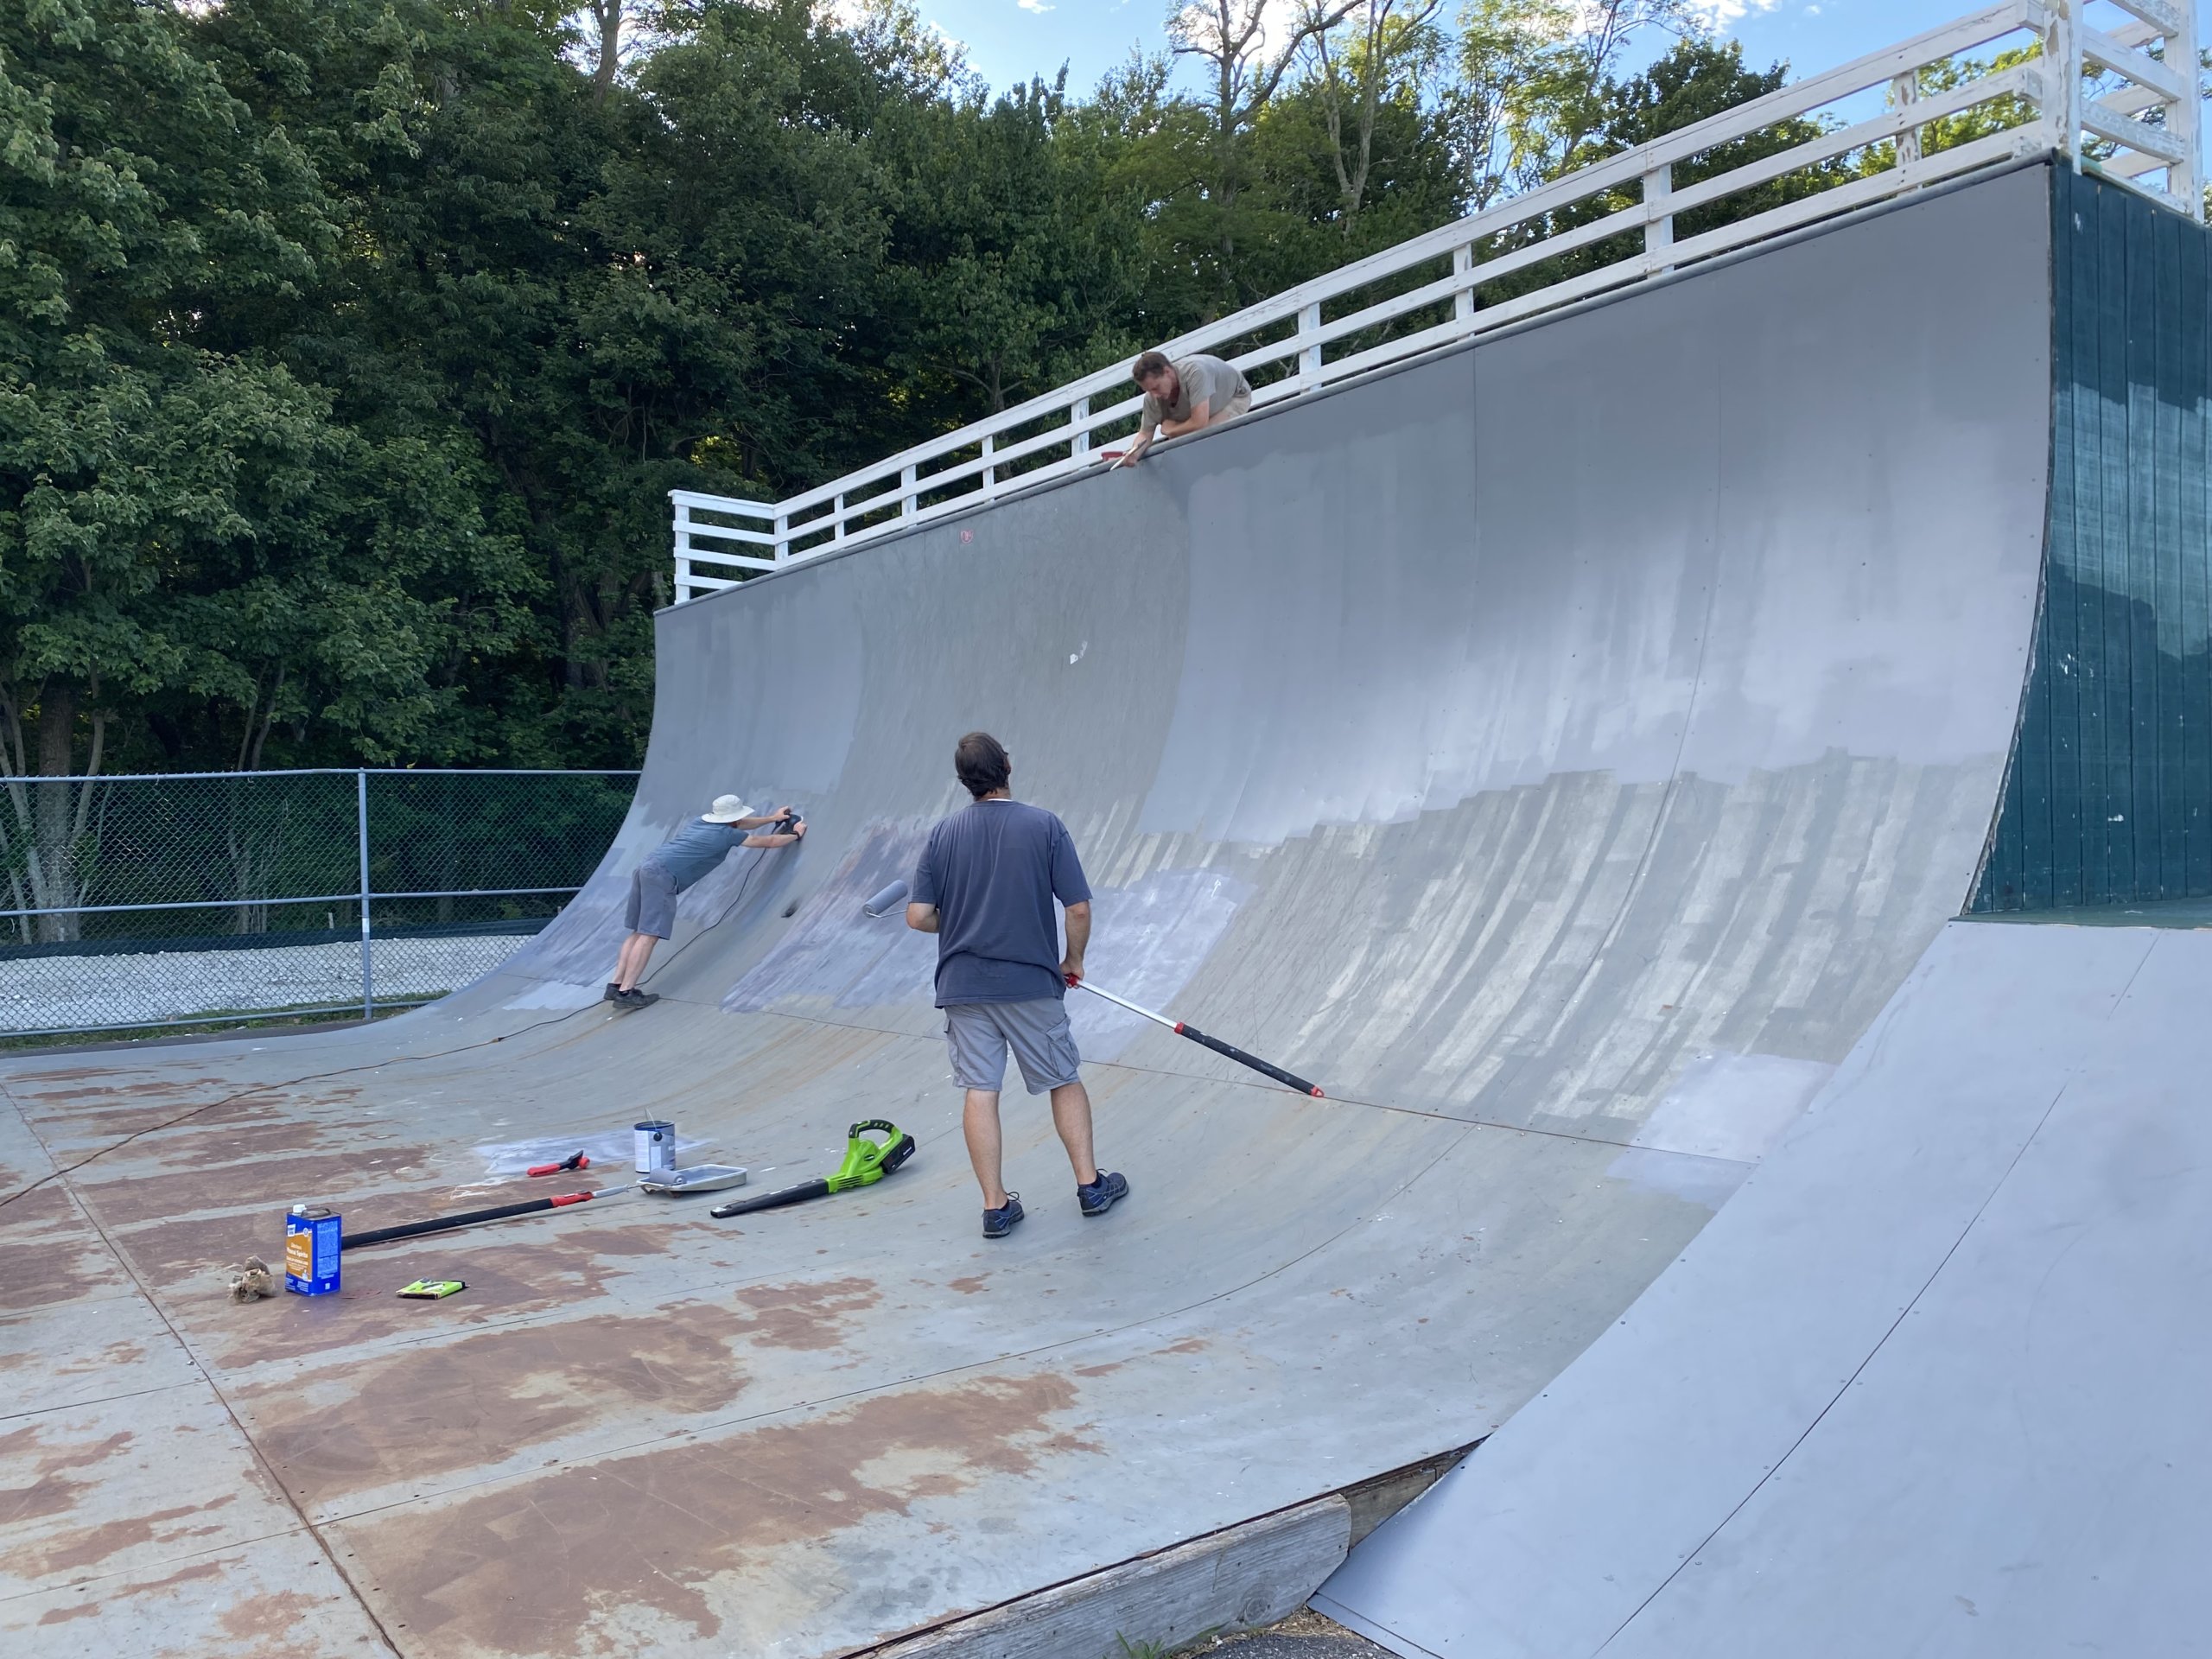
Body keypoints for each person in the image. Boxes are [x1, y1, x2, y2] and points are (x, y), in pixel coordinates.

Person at [906, 732, 1128, 1238]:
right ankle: (1091, 1187)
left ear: (963, 781)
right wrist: (1073, 959)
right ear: (1007, 765)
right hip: (1029, 980)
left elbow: (918, 917)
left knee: (980, 1090)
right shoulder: (1043, 825)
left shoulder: (942, 834)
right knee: (1062, 1078)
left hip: (963, 985)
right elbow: (1078, 907)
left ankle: (995, 1206)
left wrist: (961, 921)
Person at [605, 794, 803, 1009]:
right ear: (733, 817)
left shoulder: (702, 821)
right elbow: (769, 841)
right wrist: (795, 834)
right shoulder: (728, 834)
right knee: (649, 935)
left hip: (647, 867)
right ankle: (627, 992)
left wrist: (772, 818)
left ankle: (615, 985)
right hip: (662, 877)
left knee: (638, 931)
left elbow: (740, 824)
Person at [1117, 349, 1252, 467]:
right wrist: (1133, 454)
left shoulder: (1196, 373)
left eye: (1156, 388)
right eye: (1148, 390)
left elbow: (1200, 422)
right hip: (1197, 412)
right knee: (1182, 443)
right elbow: (1145, 434)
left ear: (1167, 372)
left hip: (1234, 397)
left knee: (1202, 437)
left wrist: (1171, 430)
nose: (1155, 395)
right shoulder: (1151, 398)